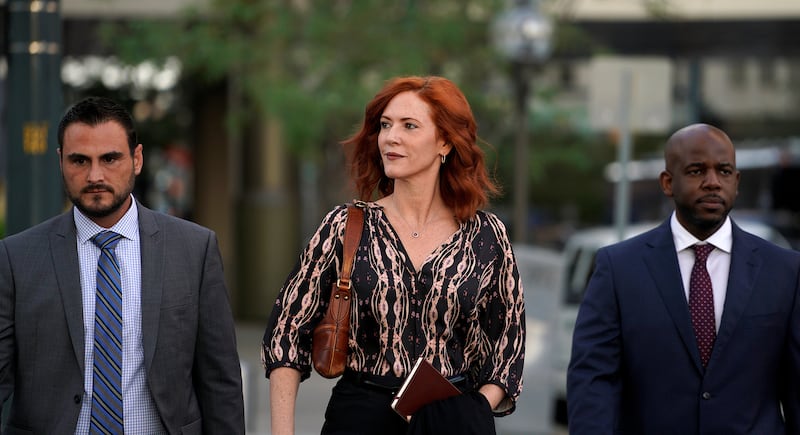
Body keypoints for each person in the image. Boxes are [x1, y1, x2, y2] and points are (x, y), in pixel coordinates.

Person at [262, 76, 525, 435]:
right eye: (385, 125)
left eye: (409, 126)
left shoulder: (486, 235)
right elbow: (287, 333)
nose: (391, 137)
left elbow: (508, 342)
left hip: (452, 420)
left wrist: (475, 409)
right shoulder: (345, 226)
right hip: (360, 418)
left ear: (445, 142)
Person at [0, 96, 245, 434]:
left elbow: (221, 383)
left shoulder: (193, 249)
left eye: (110, 158)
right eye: (79, 160)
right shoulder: (16, 258)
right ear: (60, 161)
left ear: (137, 159)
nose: (94, 175)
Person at [567, 123, 800, 434]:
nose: (713, 182)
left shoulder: (785, 270)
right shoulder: (618, 268)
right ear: (667, 182)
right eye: (696, 171)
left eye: (724, 171)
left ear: (737, 181)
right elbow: (593, 380)